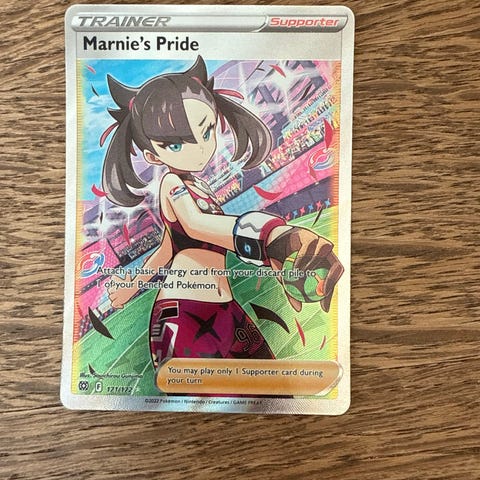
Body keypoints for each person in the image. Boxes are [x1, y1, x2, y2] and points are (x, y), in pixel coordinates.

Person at [103, 56, 343, 369]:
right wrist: (270, 236)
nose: (201, 147)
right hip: (185, 314)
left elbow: (167, 249)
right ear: (152, 155)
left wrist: (133, 285)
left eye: (207, 131)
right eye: (176, 144)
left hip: (225, 309)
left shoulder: (199, 186)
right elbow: (196, 224)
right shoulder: (172, 184)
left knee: (271, 388)